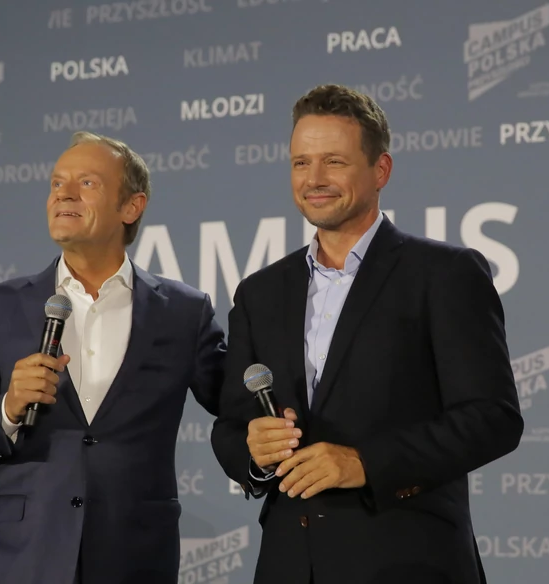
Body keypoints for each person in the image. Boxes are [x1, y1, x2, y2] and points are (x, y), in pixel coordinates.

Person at [210, 84, 524, 584]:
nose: (314, 179)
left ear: (381, 170)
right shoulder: (259, 292)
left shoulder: (444, 273)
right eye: (300, 163)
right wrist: (255, 452)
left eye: (333, 161)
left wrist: (364, 463)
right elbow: (230, 426)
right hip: (289, 564)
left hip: (408, 562)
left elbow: (493, 418)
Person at [0, 131, 226, 584]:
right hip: (23, 562)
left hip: (134, 560)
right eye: (56, 182)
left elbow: (238, 409)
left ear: (132, 207)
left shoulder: (184, 312)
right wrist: (8, 409)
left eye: (87, 182)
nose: (63, 194)